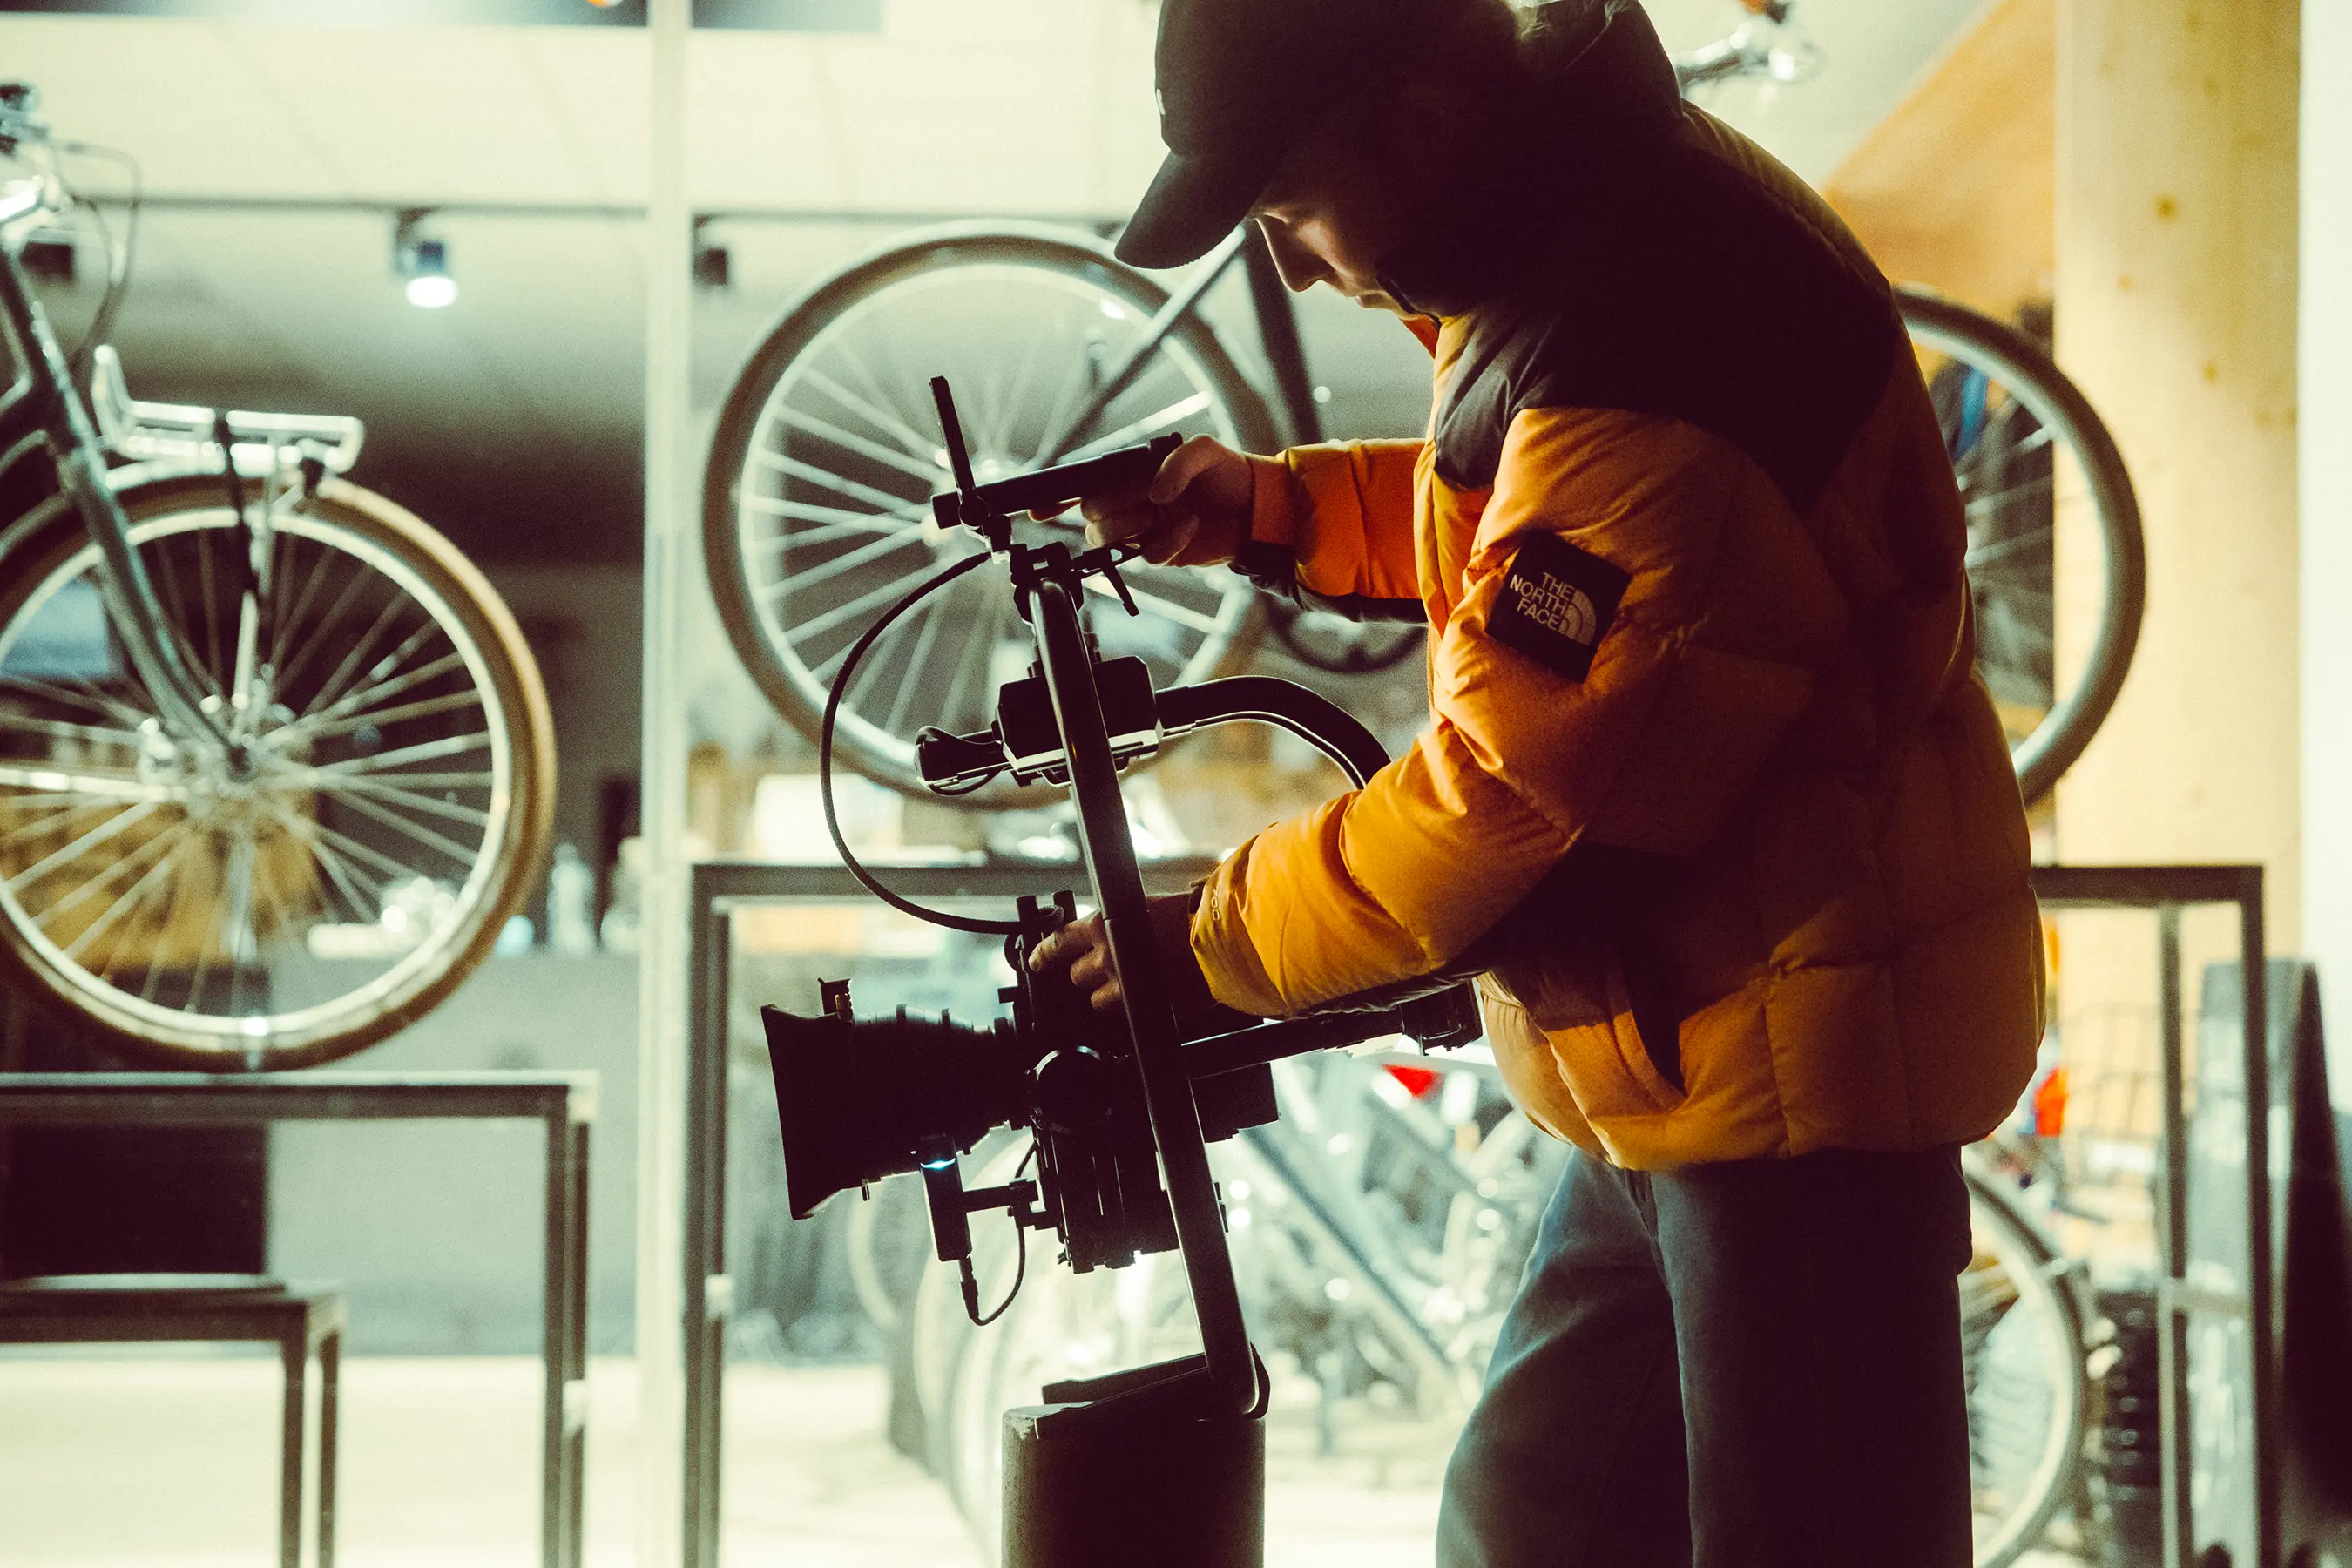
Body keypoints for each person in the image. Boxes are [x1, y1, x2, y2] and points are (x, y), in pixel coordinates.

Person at [1026, 1, 2044, 1563]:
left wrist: (1209, 947)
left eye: (1289, 209)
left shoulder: (1659, 333)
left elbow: (1506, 802)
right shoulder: (1580, 233)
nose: (1288, 263)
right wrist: (1277, 515)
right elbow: (1531, 543)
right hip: (1681, 1063)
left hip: (1801, 1090)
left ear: (1420, 130)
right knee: (1528, 1520)